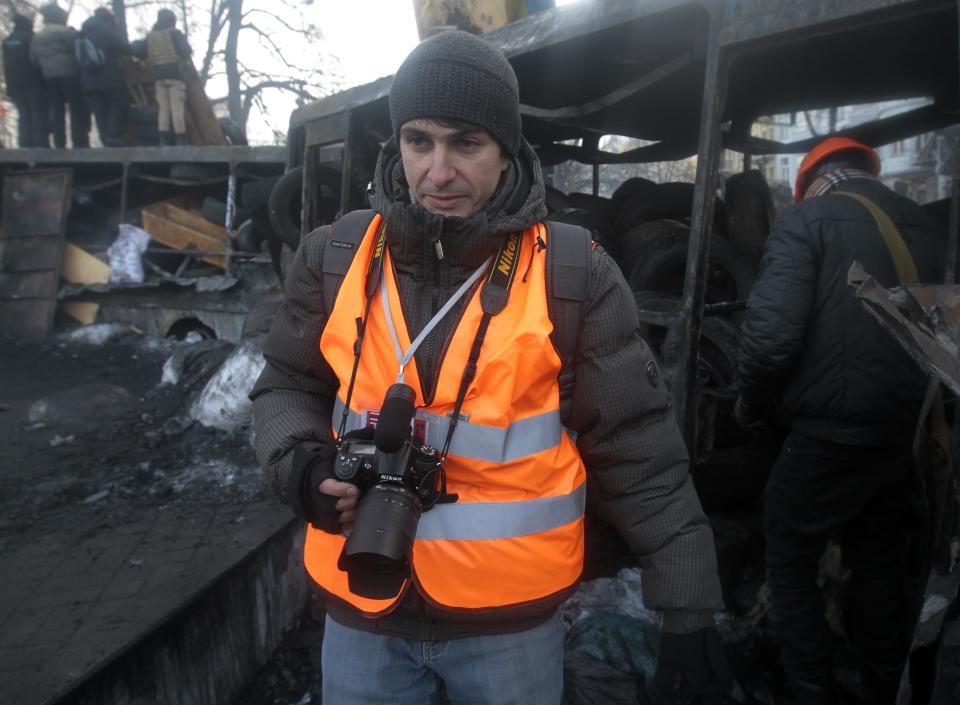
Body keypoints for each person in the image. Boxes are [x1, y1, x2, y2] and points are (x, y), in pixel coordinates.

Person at [251, 30, 728, 705]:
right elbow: (283, 389)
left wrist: (686, 602)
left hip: (509, 629)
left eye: (465, 143)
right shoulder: (335, 257)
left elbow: (638, 447)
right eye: (419, 141)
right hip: (363, 607)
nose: (438, 172)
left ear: (506, 152)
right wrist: (301, 467)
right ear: (397, 146)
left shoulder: (570, 273)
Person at [736, 137, 946, 705]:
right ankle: (882, 681)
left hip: (832, 431)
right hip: (906, 429)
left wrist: (749, 404)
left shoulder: (807, 219)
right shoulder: (925, 227)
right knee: (877, 550)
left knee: (788, 540)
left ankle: (811, 686)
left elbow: (771, 340)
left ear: (812, 180)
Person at [29, 3, 89, 148]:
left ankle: (59, 142)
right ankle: (79, 141)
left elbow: (33, 59)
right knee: (76, 107)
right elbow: (79, 50)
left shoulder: (37, 36)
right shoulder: (66, 32)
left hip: (49, 76)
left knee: (57, 109)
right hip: (70, 73)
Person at [79, 8, 131, 147]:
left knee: (100, 111)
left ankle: (105, 141)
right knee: (118, 105)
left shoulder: (82, 33)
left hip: (88, 82)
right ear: (108, 20)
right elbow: (125, 48)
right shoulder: (106, 31)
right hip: (109, 79)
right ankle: (113, 137)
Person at [145, 9, 191, 146]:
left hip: (158, 77)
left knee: (163, 109)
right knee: (177, 108)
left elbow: (139, 50)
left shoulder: (151, 36)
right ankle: (180, 139)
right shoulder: (175, 34)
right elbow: (186, 51)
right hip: (175, 76)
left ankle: (163, 140)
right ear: (172, 21)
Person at [3, 14, 48, 147]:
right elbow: (37, 61)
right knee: (38, 113)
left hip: (15, 84)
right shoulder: (31, 38)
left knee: (23, 114)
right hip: (33, 82)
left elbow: (6, 65)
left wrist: (9, 87)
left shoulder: (7, 41)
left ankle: (24, 144)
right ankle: (41, 144)